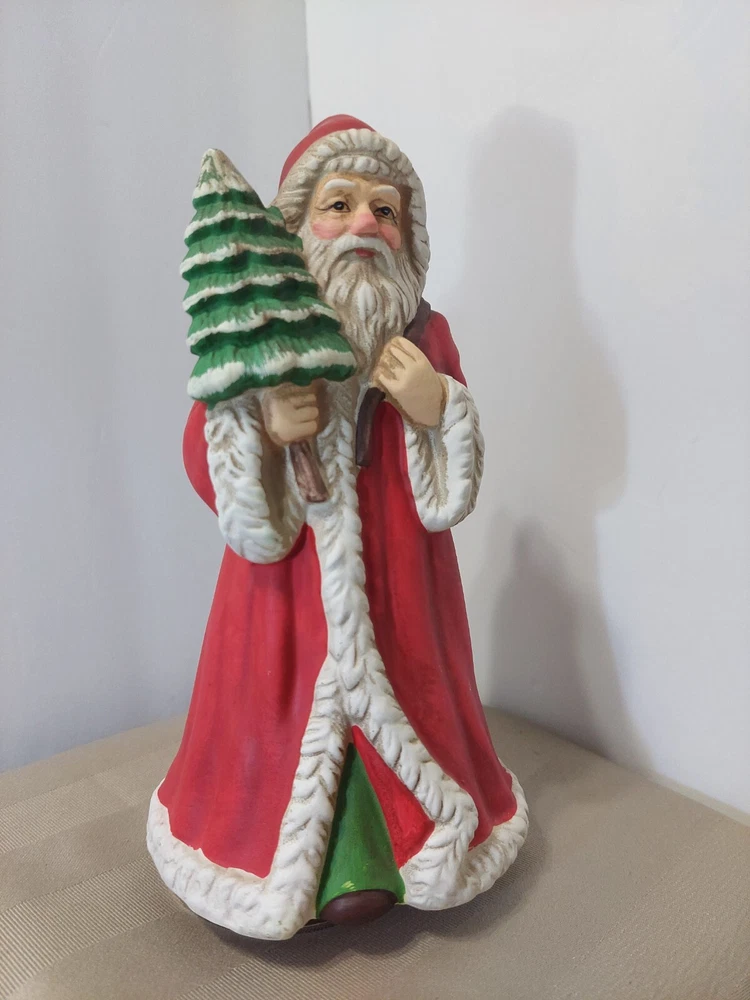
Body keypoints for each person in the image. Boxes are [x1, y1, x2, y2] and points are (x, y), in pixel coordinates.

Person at [147, 115, 528, 941]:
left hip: (402, 584)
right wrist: (260, 428)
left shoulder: (425, 334)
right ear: (297, 226)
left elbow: (449, 485)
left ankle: (400, 843)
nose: (364, 225)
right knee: (287, 715)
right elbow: (203, 449)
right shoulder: (268, 335)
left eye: (385, 211)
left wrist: (436, 405)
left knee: (410, 695)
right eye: (340, 204)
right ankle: (300, 855)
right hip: (284, 600)